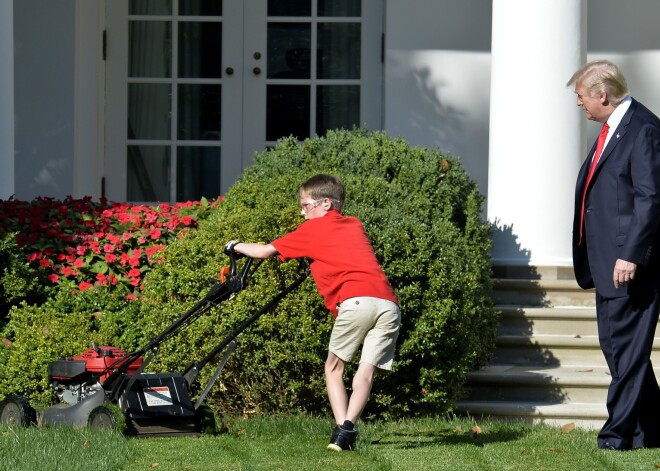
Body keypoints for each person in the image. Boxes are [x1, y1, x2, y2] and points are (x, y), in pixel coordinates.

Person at [225, 174, 400, 451]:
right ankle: (347, 429)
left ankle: (342, 431)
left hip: (355, 301)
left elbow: (261, 252)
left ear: (326, 204)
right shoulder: (355, 225)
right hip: (388, 305)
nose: (302, 211)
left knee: (333, 368)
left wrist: (233, 246)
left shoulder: (312, 230)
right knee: (365, 373)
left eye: (306, 205)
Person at [568, 60, 660, 451]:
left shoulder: (642, 129)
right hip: (606, 261)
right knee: (620, 348)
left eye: (581, 97)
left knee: (626, 350)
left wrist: (631, 255)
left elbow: (650, 197)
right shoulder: (613, 128)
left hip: (629, 265)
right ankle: (652, 430)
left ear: (602, 95)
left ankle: (615, 437)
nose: (579, 105)